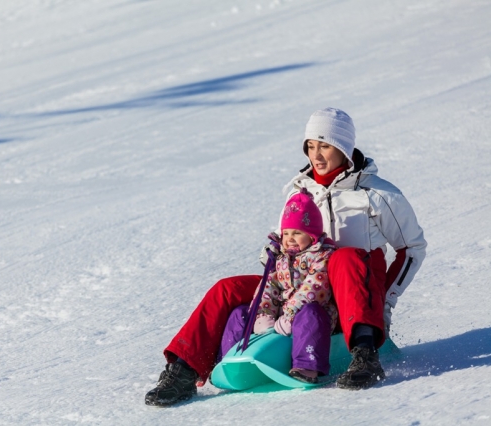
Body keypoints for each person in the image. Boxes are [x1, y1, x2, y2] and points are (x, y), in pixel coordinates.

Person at [144, 108, 427, 406]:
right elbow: (281, 241)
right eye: (311, 146)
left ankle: (365, 355)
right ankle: (183, 370)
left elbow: (412, 248)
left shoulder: (377, 195)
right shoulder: (299, 189)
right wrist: (273, 255)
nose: (316, 155)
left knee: (345, 258)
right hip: (300, 288)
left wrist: (384, 299)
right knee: (226, 289)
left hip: (351, 296)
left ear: (343, 148)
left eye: (325, 146)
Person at [219, 188, 338, 384]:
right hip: (281, 318)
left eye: (298, 233)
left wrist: (290, 315)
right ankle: (228, 360)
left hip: (314, 313)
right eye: (286, 233)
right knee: (239, 313)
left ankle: (307, 366)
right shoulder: (279, 258)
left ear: (313, 236)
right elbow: (268, 287)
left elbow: (314, 289)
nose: (290, 238)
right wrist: (262, 314)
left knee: (310, 314)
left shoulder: (321, 256)